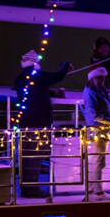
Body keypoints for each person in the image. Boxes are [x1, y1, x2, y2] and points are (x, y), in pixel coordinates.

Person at [13, 49, 72, 198]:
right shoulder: (38, 76)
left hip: (25, 121)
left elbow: (35, 91)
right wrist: (66, 66)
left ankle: (25, 187)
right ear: (35, 63)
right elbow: (57, 76)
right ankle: (32, 188)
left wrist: (52, 93)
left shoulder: (20, 78)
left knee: (26, 156)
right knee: (35, 156)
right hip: (39, 122)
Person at [82, 65, 110, 201]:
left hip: (103, 130)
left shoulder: (101, 91)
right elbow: (93, 114)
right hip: (97, 130)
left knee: (97, 160)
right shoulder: (91, 93)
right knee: (99, 161)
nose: (102, 80)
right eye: (100, 78)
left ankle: (90, 191)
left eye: (103, 78)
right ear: (93, 78)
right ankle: (98, 193)